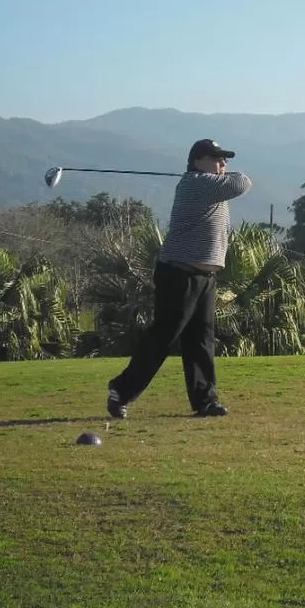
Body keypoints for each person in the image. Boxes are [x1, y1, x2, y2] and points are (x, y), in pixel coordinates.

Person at [107, 139, 252, 418]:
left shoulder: (208, 184)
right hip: (179, 273)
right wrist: (225, 174)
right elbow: (243, 182)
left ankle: (205, 401)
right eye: (216, 158)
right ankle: (121, 390)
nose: (223, 164)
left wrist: (219, 172)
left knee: (201, 340)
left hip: (204, 275)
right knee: (164, 336)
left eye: (225, 159)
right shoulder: (196, 184)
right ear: (197, 161)